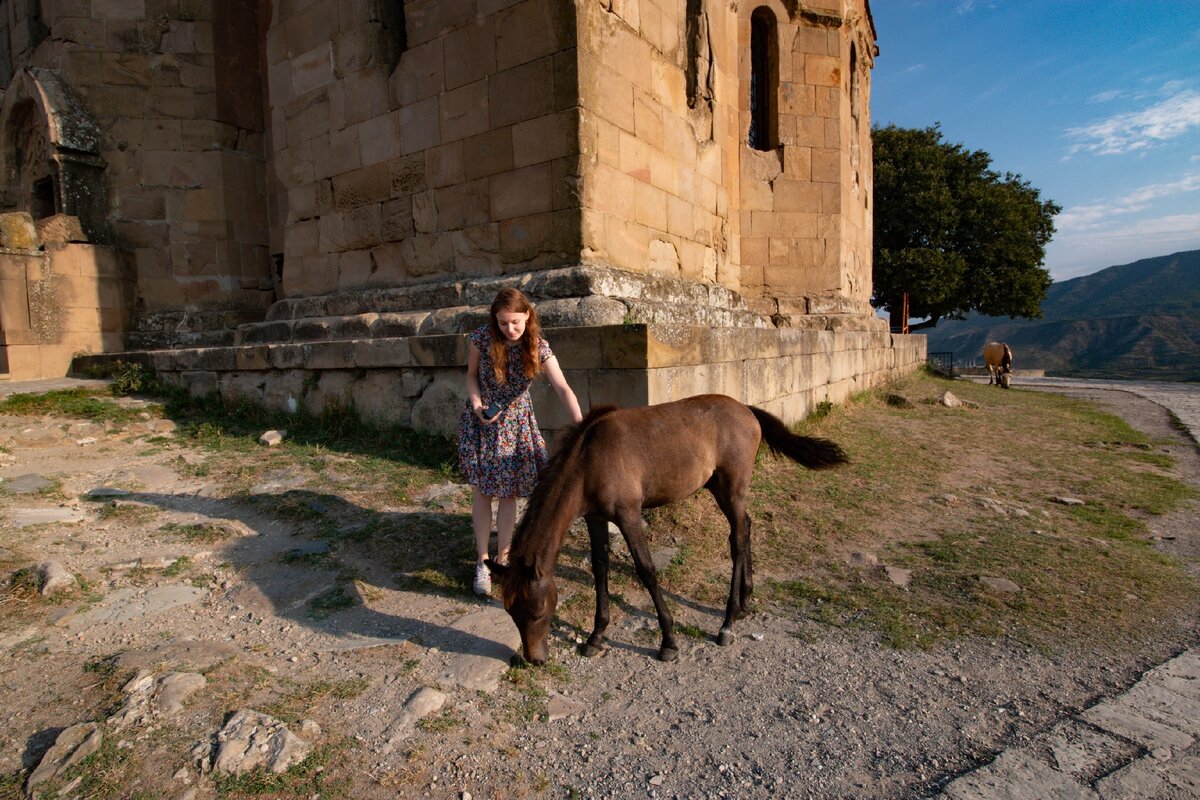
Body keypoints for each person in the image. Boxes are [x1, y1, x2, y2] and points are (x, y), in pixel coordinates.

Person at [458, 288, 583, 596]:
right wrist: (477, 406)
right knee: (483, 492)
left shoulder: (539, 347)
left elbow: (563, 388)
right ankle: (482, 561)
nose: (509, 329)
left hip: (515, 424)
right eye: (502, 323)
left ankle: (503, 558)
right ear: (495, 320)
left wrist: (582, 427)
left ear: (528, 315)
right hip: (483, 421)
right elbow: (471, 375)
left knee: (510, 493)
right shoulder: (481, 339)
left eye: (515, 322)